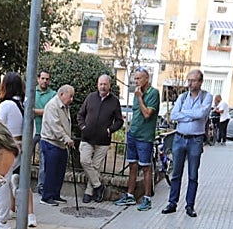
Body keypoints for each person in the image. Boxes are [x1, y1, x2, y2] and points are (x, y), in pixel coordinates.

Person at [164, 68, 212, 218]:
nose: (190, 83)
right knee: (176, 173)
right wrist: (191, 116)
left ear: (200, 81)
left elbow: (201, 114)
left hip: (195, 140)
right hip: (179, 138)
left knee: (192, 175)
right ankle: (172, 203)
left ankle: (190, 206)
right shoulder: (183, 97)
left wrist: (184, 114)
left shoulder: (207, 97)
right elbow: (173, 115)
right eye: (189, 80)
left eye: (193, 80)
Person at [0, 71, 34, 229]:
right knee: (8, 179)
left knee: (0, 181)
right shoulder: (24, 104)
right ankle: (6, 215)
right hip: (20, 146)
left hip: (7, 147)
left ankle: (2, 220)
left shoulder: (6, 105)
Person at [114, 67, 160, 211]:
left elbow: (147, 114)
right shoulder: (136, 93)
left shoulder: (153, 93)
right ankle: (130, 195)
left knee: (145, 167)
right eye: (135, 79)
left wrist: (140, 97)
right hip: (133, 134)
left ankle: (147, 198)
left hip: (144, 137)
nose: (136, 81)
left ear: (147, 78)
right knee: (132, 165)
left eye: (138, 78)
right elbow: (136, 112)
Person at [76, 74, 123, 203]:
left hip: (103, 141)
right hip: (87, 138)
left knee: (95, 167)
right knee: (84, 161)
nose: (102, 87)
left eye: (105, 84)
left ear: (109, 85)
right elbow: (80, 115)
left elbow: (119, 121)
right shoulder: (90, 97)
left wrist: (110, 130)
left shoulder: (114, 101)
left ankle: (88, 192)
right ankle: (99, 186)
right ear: (97, 84)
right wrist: (83, 127)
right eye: (100, 84)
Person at [38, 85, 74, 205]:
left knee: (59, 171)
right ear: (62, 94)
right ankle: (46, 197)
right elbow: (56, 126)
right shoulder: (53, 106)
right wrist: (66, 138)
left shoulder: (64, 106)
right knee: (51, 171)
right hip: (51, 142)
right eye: (70, 96)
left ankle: (55, 194)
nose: (72, 99)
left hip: (61, 144)